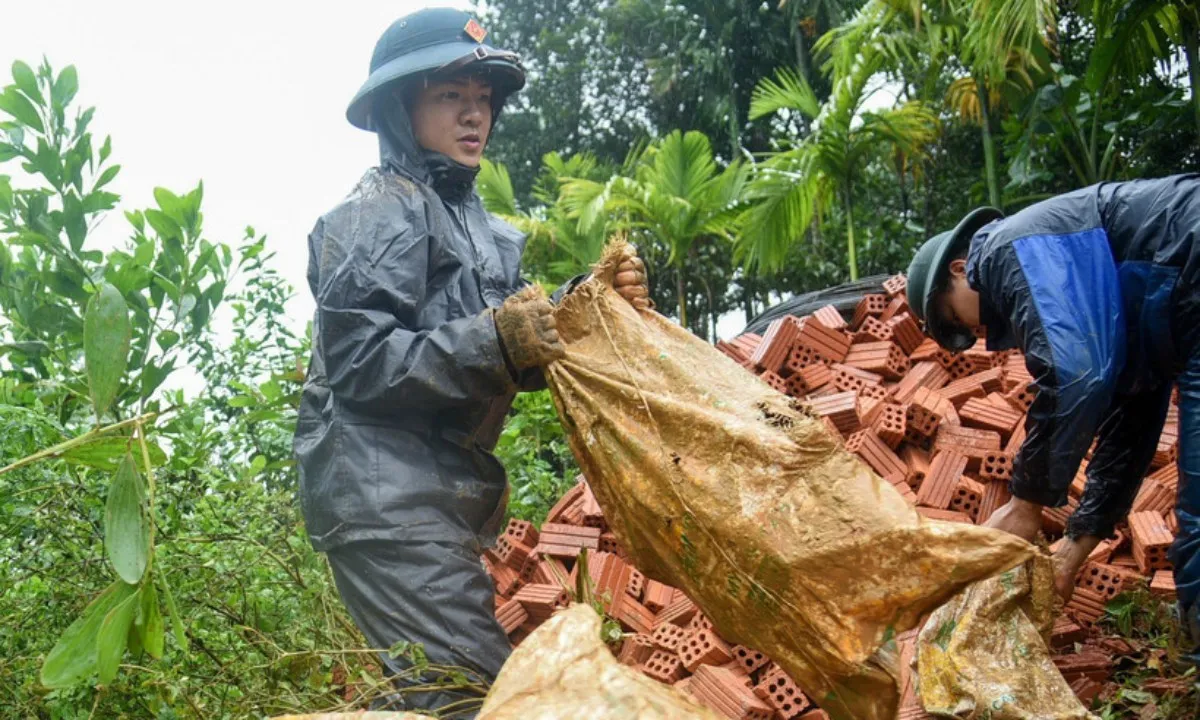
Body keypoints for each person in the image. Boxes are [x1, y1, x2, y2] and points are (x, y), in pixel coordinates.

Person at [292, 8, 649, 716]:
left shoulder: (481, 229)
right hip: (383, 499)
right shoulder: (373, 216)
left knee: (433, 695)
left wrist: (592, 303)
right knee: (472, 696)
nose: (473, 115)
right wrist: (499, 339)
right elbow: (362, 364)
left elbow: (514, 343)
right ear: (402, 107)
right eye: (450, 96)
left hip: (437, 495)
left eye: (481, 99)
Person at [905, 174, 1200, 664]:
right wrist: (1073, 549)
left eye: (954, 319)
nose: (974, 333)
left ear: (960, 270)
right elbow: (1130, 424)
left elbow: (1076, 375)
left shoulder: (1002, 249)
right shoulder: (1096, 304)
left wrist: (1025, 504)